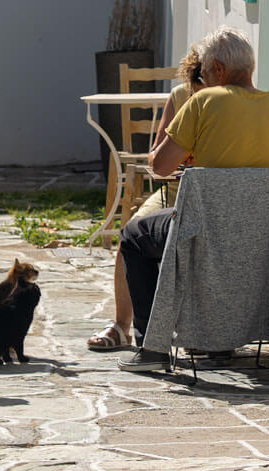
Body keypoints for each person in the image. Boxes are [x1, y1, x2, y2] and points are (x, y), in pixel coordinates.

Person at [116, 27, 269, 373]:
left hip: (204, 235)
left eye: (202, 72)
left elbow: (159, 166)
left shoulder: (202, 102)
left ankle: (150, 346)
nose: (201, 78)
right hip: (264, 242)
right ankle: (219, 341)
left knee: (132, 236)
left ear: (217, 68)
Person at [87, 45, 204, 352]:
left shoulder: (235, 105)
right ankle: (121, 326)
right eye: (197, 83)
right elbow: (156, 157)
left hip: (210, 194)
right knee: (134, 228)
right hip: (176, 187)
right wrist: (182, 155)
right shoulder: (181, 97)